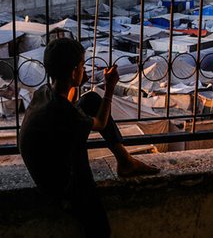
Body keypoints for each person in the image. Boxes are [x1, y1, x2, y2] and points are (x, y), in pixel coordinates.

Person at [19, 37, 159, 238]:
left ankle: (125, 161)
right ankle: (124, 162)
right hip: (58, 183)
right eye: (82, 67)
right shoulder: (61, 113)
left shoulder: (44, 93)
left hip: (46, 162)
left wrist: (76, 83)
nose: (85, 70)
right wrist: (110, 87)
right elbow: (99, 123)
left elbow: (69, 106)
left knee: (91, 99)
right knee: (100, 230)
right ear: (75, 71)